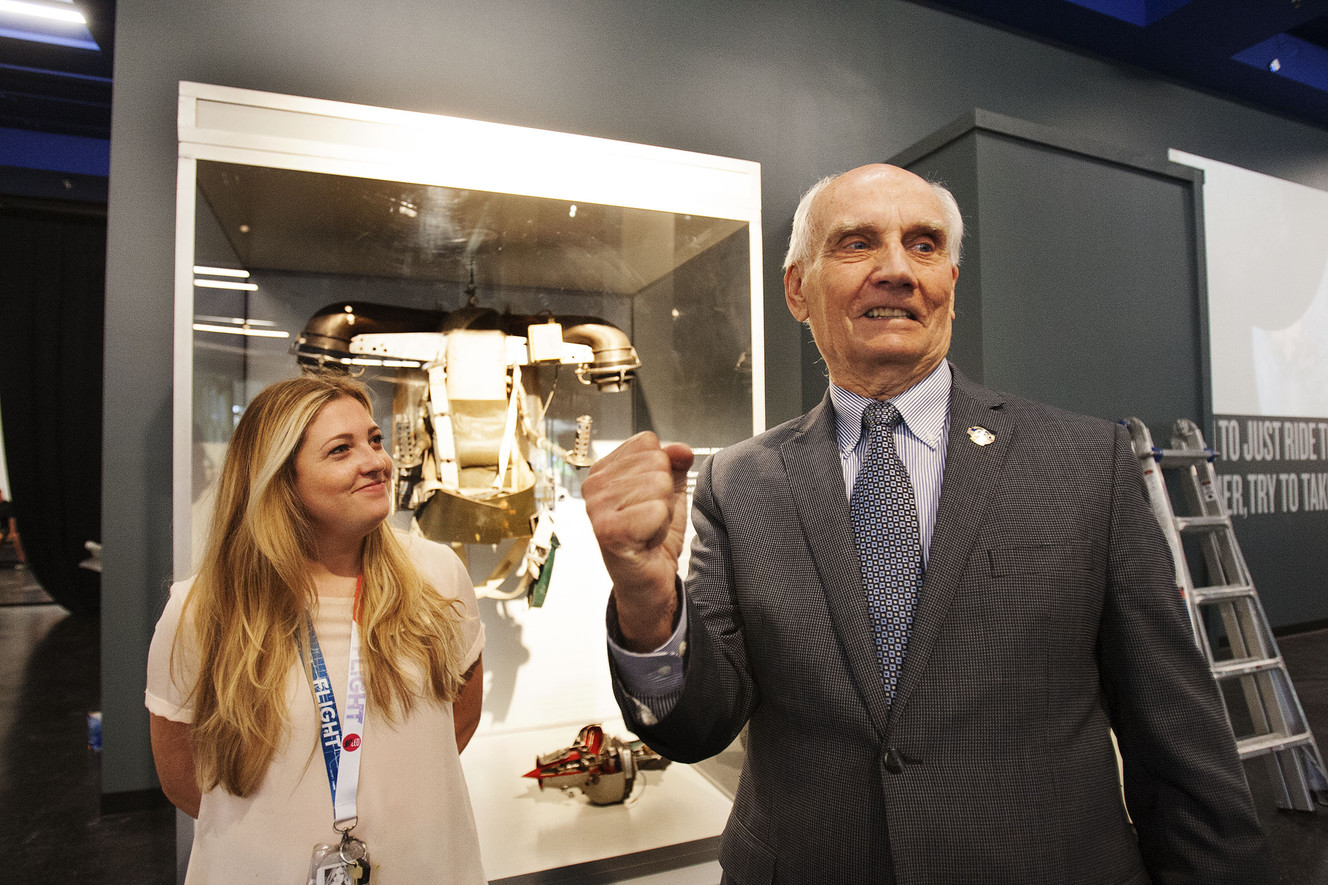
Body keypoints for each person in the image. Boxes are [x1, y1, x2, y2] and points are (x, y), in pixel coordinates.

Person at [584, 164, 1271, 883]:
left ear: (950, 282)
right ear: (797, 288)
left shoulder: (1085, 462)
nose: (896, 269)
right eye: (856, 243)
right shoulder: (741, 482)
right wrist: (645, 593)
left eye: (923, 244)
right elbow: (697, 726)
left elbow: (1181, 747)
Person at [146, 374, 486, 883]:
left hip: (427, 865)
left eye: (374, 440)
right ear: (280, 479)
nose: (377, 461)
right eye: (341, 450)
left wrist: (392, 808)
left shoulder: (437, 576)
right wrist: (277, 827)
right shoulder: (203, 609)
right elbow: (181, 773)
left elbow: (458, 718)